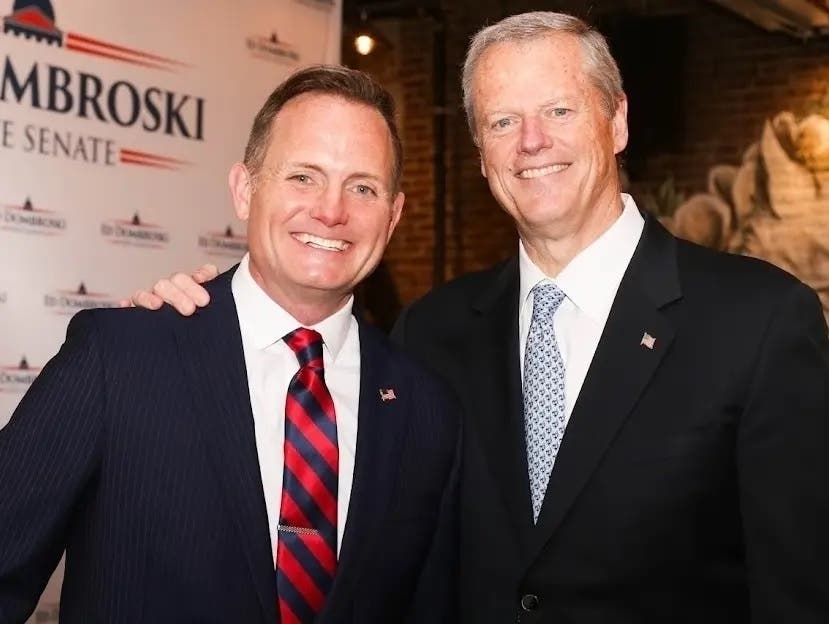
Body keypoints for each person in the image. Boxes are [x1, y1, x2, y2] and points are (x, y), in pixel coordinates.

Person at [131, 11, 829, 624]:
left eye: (558, 111)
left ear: (615, 120)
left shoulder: (759, 321)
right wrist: (203, 317)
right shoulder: (429, 333)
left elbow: (800, 592)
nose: (530, 141)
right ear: (480, 150)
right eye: (502, 121)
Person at [0, 66, 460, 624]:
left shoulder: (426, 408)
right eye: (303, 177)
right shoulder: (118, 357)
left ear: (393, 217)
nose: (332, 210)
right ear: (245, 190)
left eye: (363, 187)